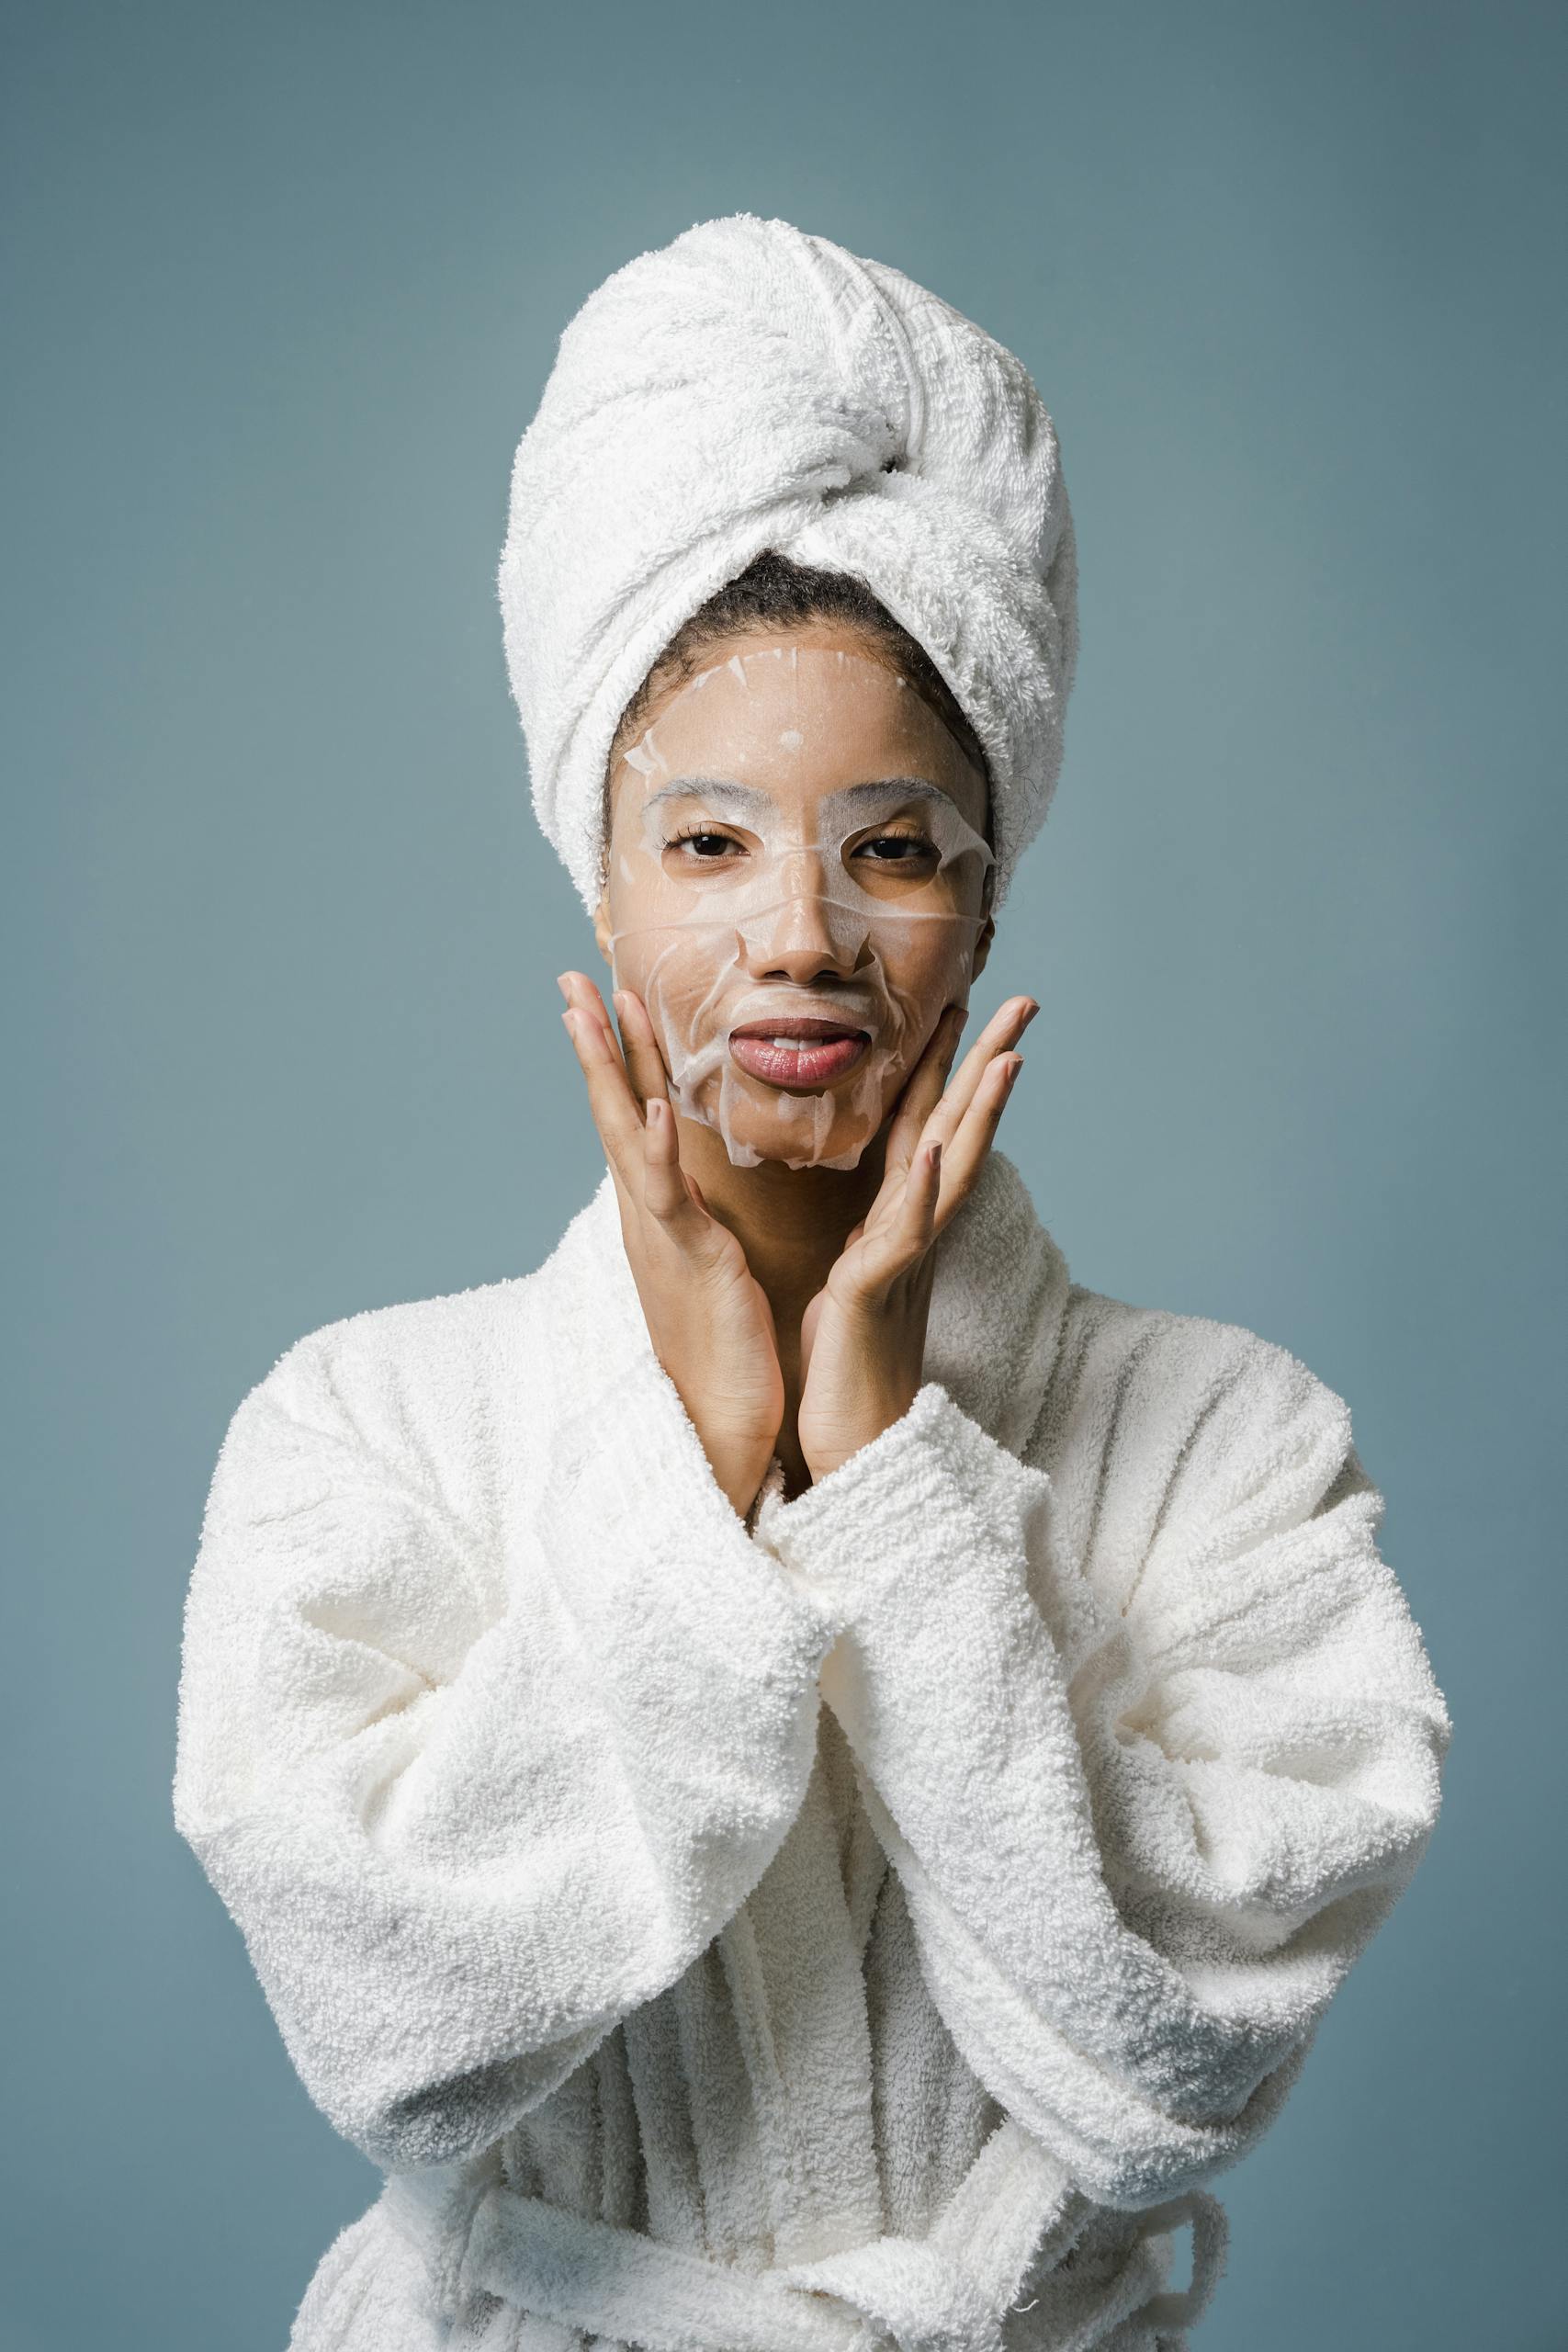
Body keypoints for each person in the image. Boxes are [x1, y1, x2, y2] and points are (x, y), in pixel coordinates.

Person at [173, 217, 1451, 2352]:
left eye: (889, 843)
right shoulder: (359, 1428)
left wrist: (880, 1481)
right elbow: (400, 2038)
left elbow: (1157, 2081)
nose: (798, 937)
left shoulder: (1235, 1443)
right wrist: (691, 1459)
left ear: (984, 888)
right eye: (704, 843)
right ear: (590, 865)